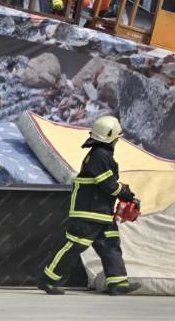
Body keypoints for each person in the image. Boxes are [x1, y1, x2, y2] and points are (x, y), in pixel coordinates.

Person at [40, 116, 141, 296]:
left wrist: (124, 193)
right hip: (89, 214)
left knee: (110, 245)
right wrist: (125, 193)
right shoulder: (100, 155)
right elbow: (107, 184)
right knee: (74, 246)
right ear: (111, 137)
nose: (118, 141)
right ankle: (49, 280)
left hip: (102, 214)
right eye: (117, 138)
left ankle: (117, 283)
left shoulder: (101, 155)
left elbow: (106, 184)